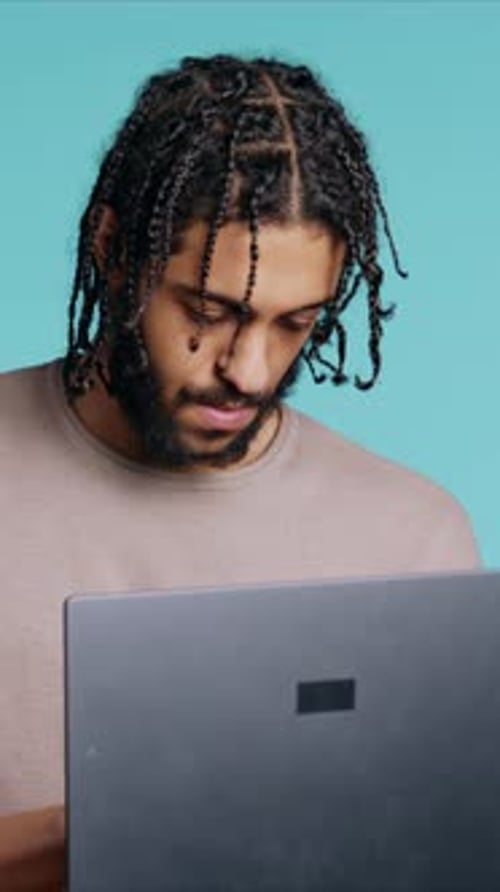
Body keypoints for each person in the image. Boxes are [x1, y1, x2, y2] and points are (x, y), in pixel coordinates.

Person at [0, 53, 480, 890]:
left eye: (296, 322)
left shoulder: (412, 536)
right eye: (210, 311)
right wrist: (97, 831)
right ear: (114, 252)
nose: (251, 372)